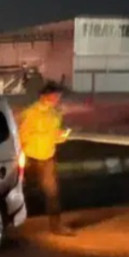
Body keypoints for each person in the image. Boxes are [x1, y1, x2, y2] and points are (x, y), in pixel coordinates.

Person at [18, 81, 75, 236]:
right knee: (19, 190)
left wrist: (61, 136)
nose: (58, 99)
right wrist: (20, 156)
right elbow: (21, 135)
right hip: (30, 157)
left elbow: (54, 135)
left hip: (47, 157)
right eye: (55, 96)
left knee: (52, 192)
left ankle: (56, 226)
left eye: (59, 96)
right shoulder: (31, 113)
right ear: (45, 96)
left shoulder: (55, 114)